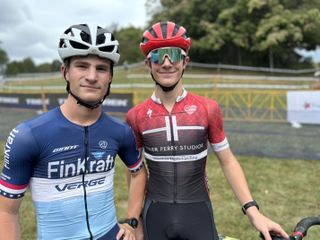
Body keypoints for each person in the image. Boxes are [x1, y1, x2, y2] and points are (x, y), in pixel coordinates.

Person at [125, 21, 289, 240]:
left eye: (174, 55)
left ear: (185, 62)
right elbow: (134, 172)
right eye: (157, 56)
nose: (166, 63)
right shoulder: (136, 115)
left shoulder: (207, 108)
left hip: (198, 212)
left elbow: (227, 161)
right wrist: (134, 221)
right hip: (155, 214)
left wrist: (253, 210)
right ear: (148, 63)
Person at [0, 23, 147, 240]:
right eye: (82, 66)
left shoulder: (120, 131)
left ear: (111, 77)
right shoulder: (28, 136)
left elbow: (138, 172)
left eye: (101, 68)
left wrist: (132, 221)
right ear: (65, 72)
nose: (92, 76)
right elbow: (6, 211)